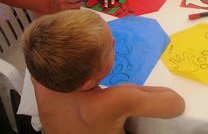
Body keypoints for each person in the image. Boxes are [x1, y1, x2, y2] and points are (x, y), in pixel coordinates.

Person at [23, 9, 185, 134]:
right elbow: (176, 104)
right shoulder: (115, 99)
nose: (114, 41)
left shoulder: (39, 77)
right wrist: (130, 90)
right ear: (88, 83)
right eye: (110, 48)